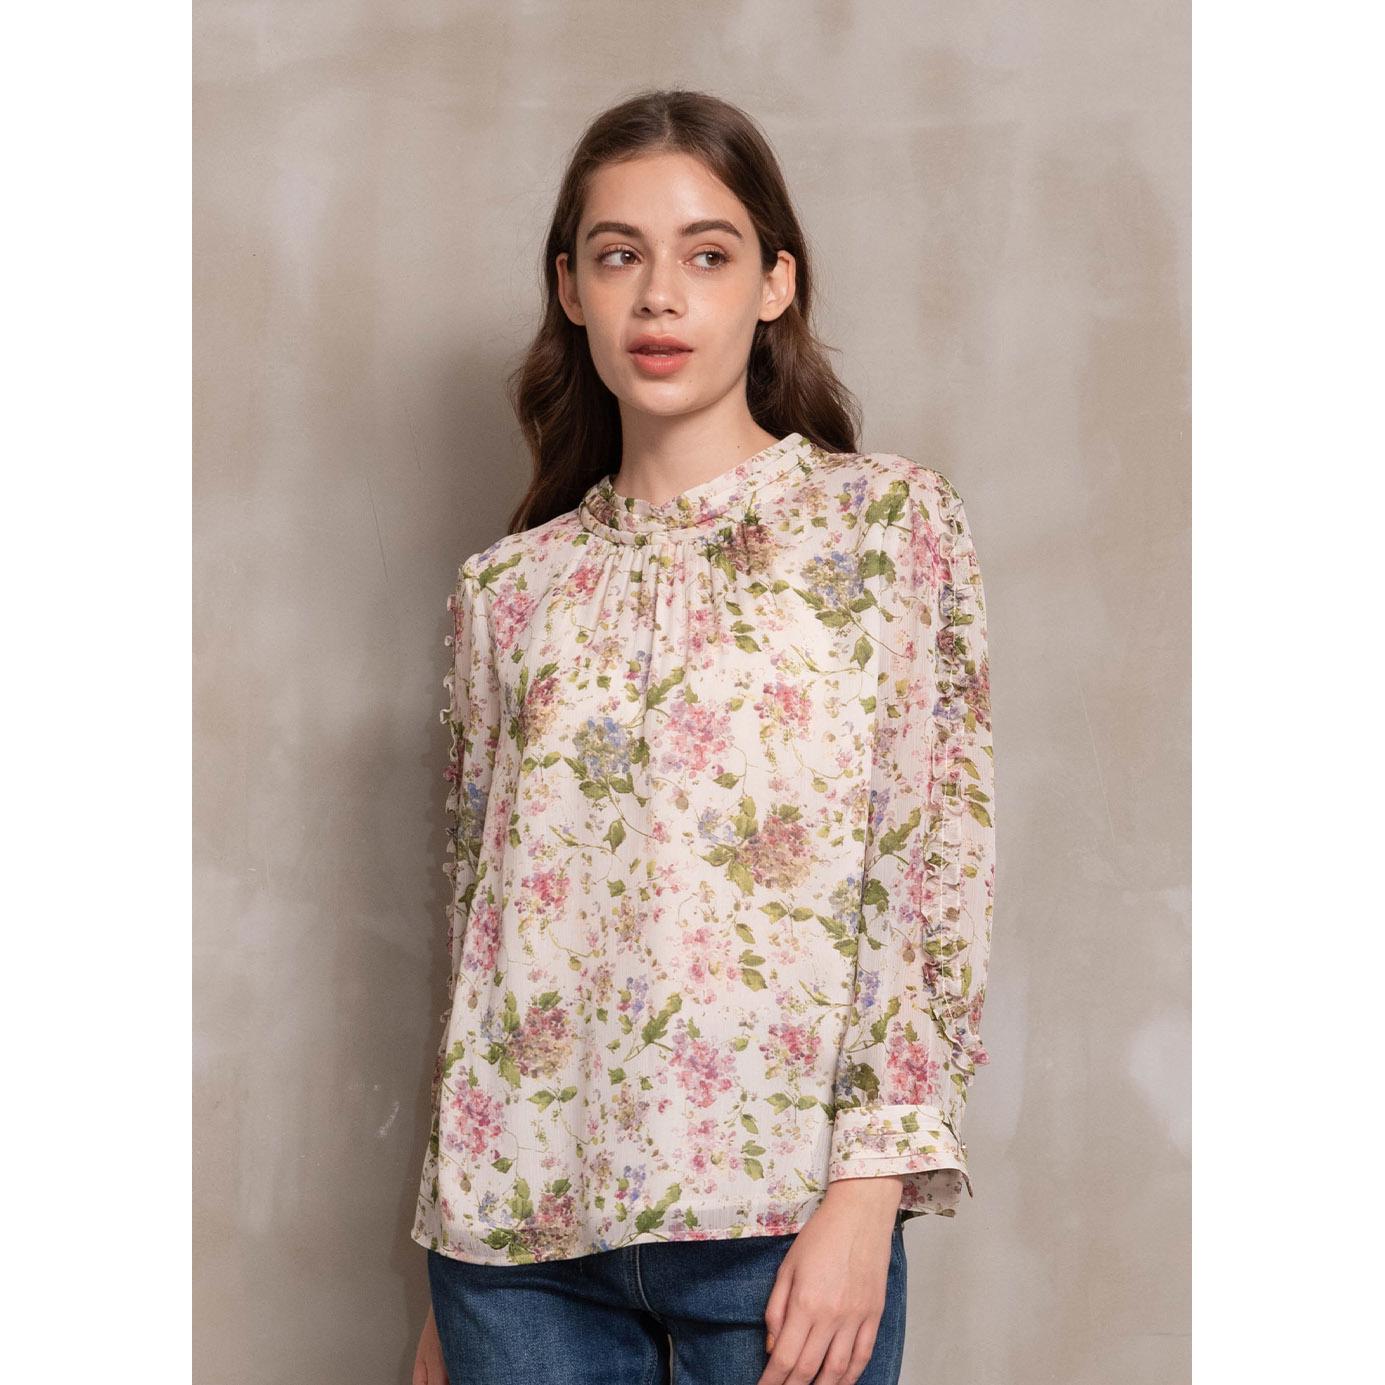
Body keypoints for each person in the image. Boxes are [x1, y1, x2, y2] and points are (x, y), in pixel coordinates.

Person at [410, 89, 997, 1385]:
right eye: (619, 253)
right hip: (513, 1245)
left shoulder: (887, 530)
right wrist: (447, 1264)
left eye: (708, 253)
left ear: (775, 282)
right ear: (570, 288)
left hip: (779, 1220)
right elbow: (480, 921)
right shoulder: (506, 590)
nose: (660, 295)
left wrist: (866, 1200)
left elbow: (930, 874)